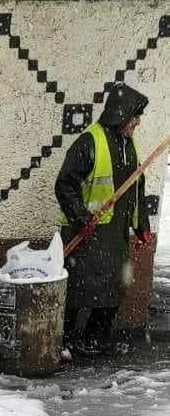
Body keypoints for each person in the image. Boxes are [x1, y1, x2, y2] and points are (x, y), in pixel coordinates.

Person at [55, 82, 152, 355]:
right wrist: (80, 216)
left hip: (116, 232)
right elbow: (64, 184)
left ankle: (95, 339)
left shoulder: (128, 145)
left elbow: (137, 186)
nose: (138, 122)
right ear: (120, 113)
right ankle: (66, 340)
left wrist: (142, 225)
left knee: (113, 287)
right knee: (76, 290)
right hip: (85, 232)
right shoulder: (89, 142)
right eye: (135, 116)